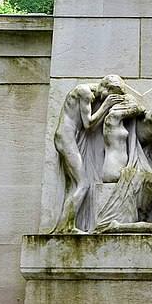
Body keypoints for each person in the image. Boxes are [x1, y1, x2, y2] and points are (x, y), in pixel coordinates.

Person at [51, 76, 125, 233]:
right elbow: (89, 124)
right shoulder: (84, 91)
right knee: (83, 184)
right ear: (106, 88)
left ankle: (65, 226)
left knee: (76, 184)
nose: (110, 98)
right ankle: (66, 228)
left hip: (68, 138)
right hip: (66, 138)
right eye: (111, 94)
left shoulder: (87, 93)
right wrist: (106, 105)